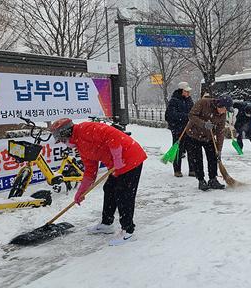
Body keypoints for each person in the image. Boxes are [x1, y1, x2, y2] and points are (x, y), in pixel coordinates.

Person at [50, 118, 147, 246]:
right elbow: (90, 171)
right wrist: (81, 192)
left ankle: (127, 230)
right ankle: (107, 224)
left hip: (130, 158)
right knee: (109, 189)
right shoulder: (80, 145)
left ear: (66, 132)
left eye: (62, 140)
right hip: (116, 166)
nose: (63, 143)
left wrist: (117, 157)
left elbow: (112, 135)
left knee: (123, 194)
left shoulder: (86, 129)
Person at [185, 94, 233, 191]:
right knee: (197, 158)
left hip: (208, 136)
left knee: (212, 157)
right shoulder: (203, 103)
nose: (225, 111)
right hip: (194, 134)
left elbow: (220, 132)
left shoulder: (222, 114)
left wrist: (219, 150)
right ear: (220, 105)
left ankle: (212, 179)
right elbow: (191, 115)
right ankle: (201, 180)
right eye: (224, 109)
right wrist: (203, 124)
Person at [165, 81, 195, 177]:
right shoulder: (174, 101)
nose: (188, 93)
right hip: (178, 130)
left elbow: (193, 113)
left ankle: (192, 170)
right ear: (181, 91)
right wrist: (186, 116)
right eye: (186, 91)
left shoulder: (190, 100)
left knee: (191, 149)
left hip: (189, 129)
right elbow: (170, 115)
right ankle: (177, 170)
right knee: (178, 150)